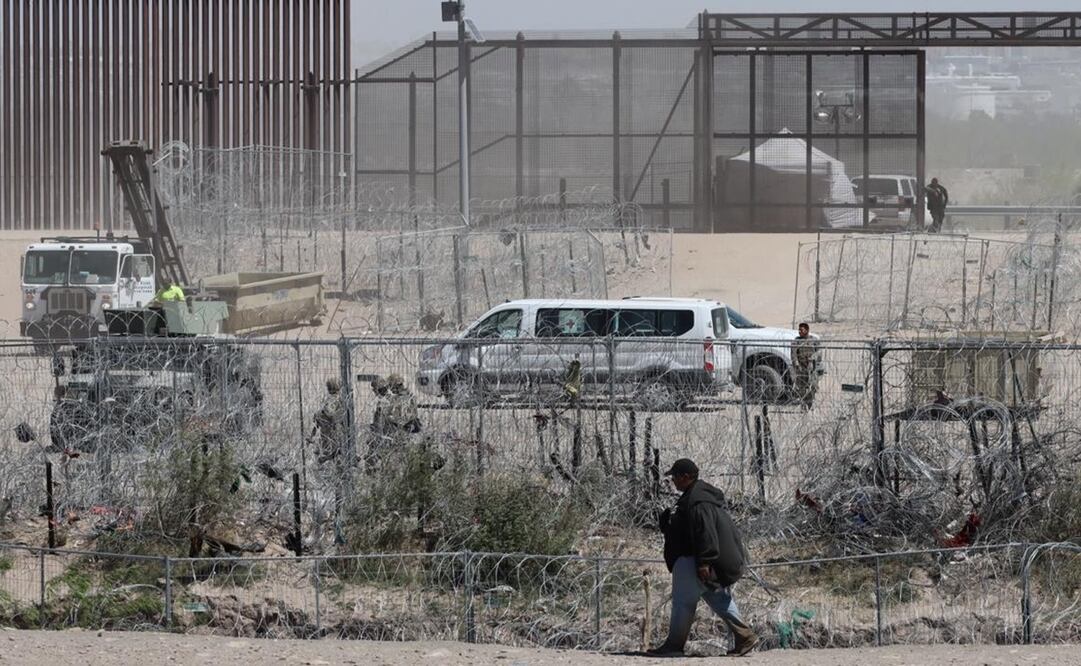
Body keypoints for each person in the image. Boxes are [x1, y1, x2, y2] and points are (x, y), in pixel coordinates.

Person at [650, 459, 759, 657]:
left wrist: (704, 562)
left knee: (683, 603)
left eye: (675, 476)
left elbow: (705, 534)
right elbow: (690, 530)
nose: (673, 480)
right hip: (703, 562)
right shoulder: (698, 498)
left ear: (686, 477)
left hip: (695, 561)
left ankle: (674, 645)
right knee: (717, 598)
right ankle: (745, 636)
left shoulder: (697, 502)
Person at [313, 377, 345, 464]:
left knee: (331, 450)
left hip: (330, 428)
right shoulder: (339, 398)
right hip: (333, 428)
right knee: (336, 450)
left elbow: (330, 413)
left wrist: (320, 414)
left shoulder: (333, 399)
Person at [791, 322, 819, 410]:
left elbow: (818, 351)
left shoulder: (813, 340)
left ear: (807, 330)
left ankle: (810, 403)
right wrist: (796, 364)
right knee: (801, 387)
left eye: (801, 330)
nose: (799, 331)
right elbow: (793, 353)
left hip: (812, 367)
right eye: (799, 330)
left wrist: (813, 358)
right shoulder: (796, 341)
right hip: (801, 367)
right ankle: (803, 403)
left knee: (813, 385)